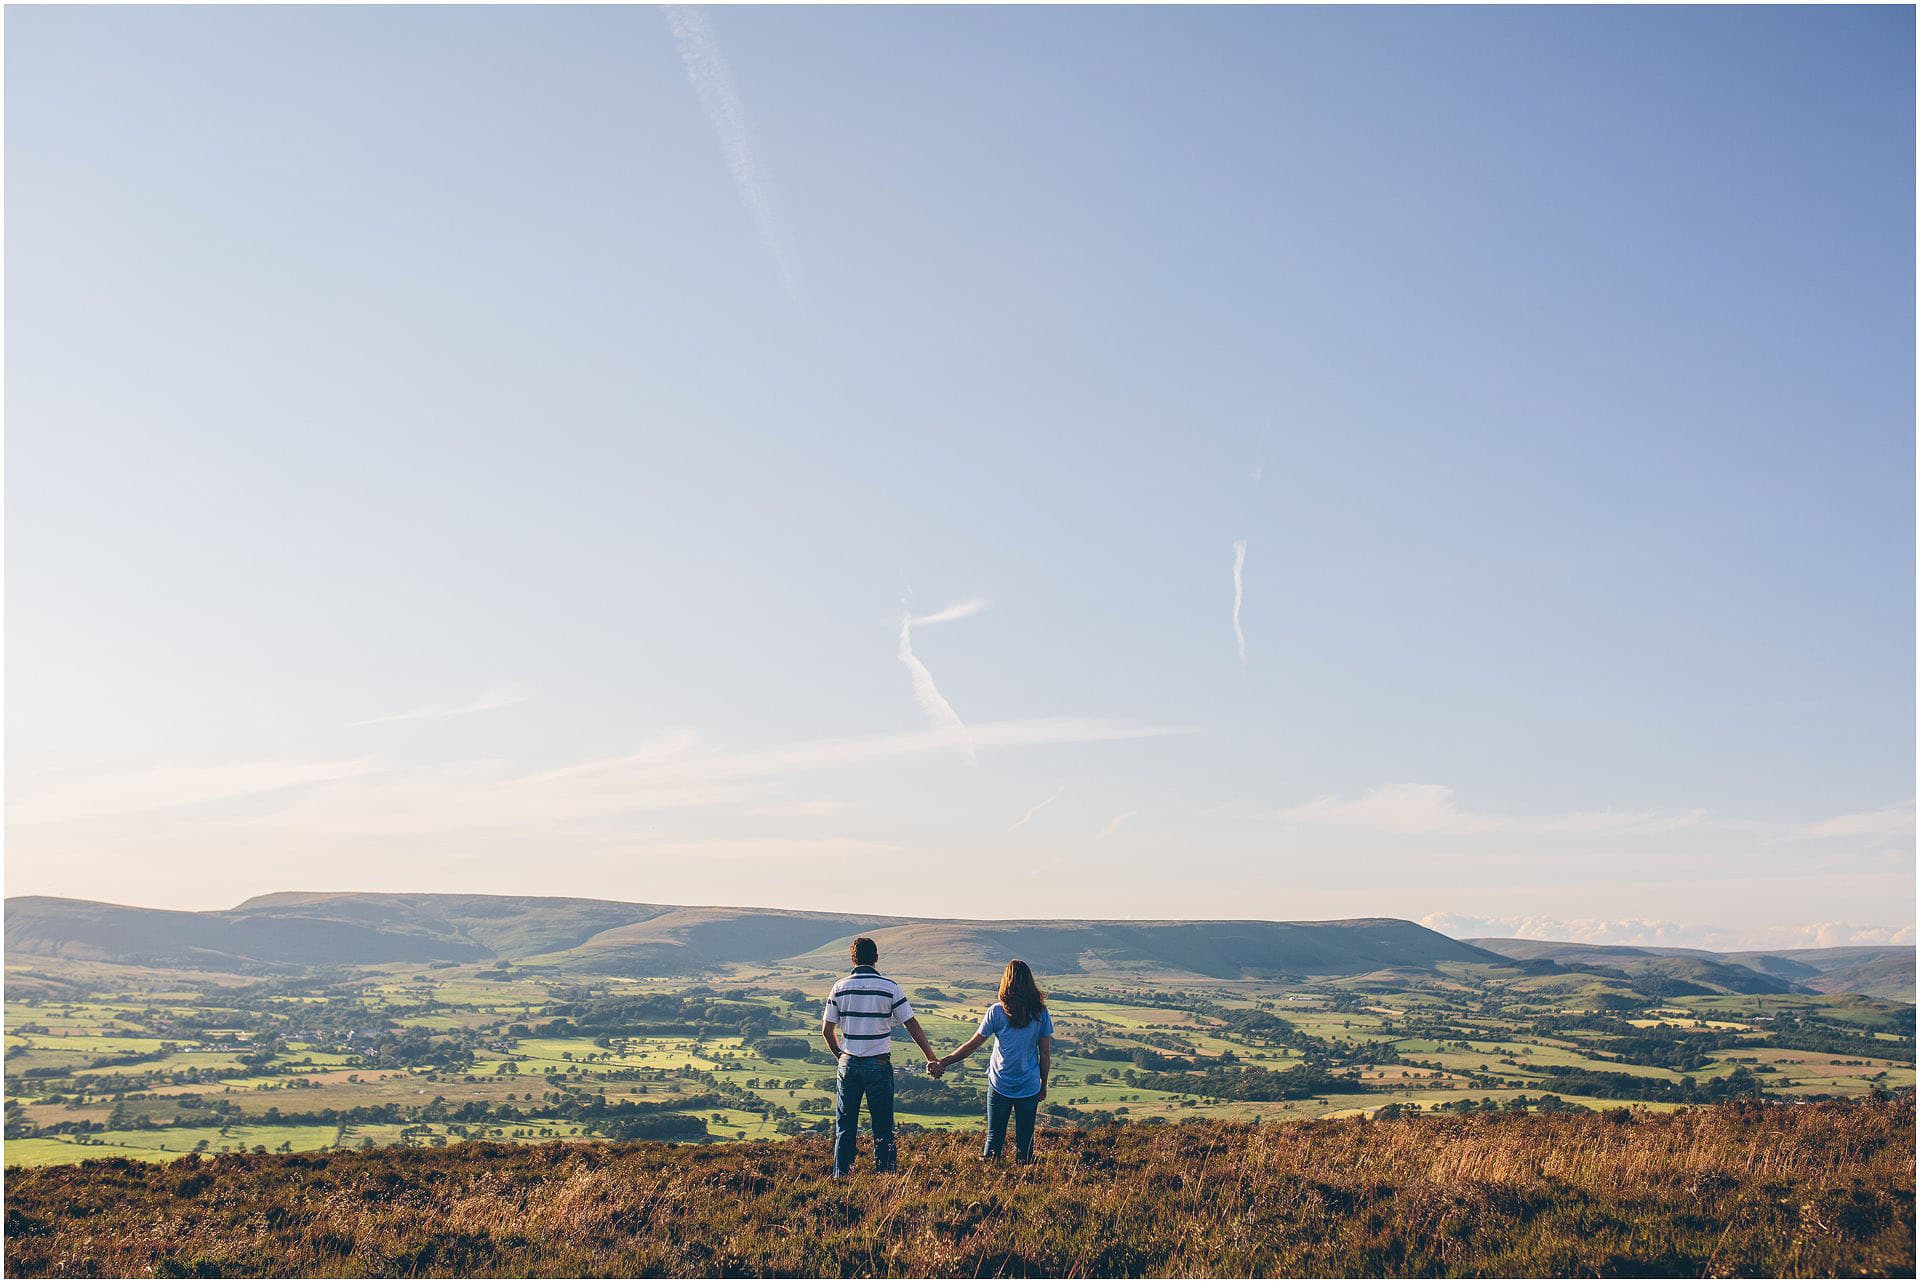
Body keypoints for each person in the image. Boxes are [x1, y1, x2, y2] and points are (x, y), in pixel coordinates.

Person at [820, 935, 941, 1176]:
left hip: (848, 1063)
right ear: (876, 958)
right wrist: (931, 1057)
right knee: (883, 1127)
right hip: (878, 1063)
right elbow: (911, 1025)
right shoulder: (890, 987)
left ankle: (841, 1176)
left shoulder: (839, 987)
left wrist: (841, 1057)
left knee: (845, 1126)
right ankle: (885, 1176)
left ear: (852, 959)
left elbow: (826, 1030)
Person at [936, 959, 1053, 1163]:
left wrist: (943, 1062)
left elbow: (972, 1045)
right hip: (1029, 1083)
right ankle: (1026, 1184)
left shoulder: (997, 1012)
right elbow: (1045, 1054)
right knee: (1026, 1140)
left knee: (994, 1137)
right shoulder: (1040, 1013)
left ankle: (990, 1178)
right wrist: (1043, 1083)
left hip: (1000, 1082)